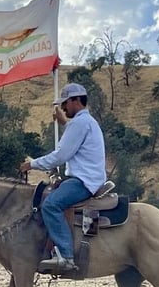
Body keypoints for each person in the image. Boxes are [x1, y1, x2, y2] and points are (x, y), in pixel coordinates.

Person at [19, 83, 107, 273]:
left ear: (76, 101)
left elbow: (61, 156)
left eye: (65, 103)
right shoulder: (86, 122)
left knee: (50, 204)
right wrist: (65, 124)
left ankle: (66, 256)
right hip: (89, 178)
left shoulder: (79, 123)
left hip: (83, 181)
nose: (63, 108)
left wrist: (31, 164)